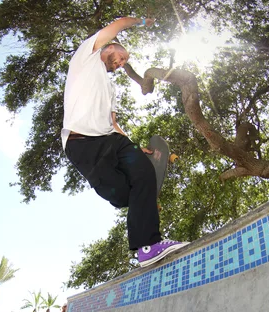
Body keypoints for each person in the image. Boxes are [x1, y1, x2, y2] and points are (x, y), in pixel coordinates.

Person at [62, 17, 188, 267]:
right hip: (82, 144)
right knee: (122, 197)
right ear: (111, 46)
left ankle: (147, 247)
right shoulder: (85, 59)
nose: (120, 64)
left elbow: (113, 123)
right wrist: (140, 21)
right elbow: (117, 25)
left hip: (112, 140)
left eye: (124, 63)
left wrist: (132, 147)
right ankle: (137, 200)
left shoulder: (110, 88)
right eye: (121, 58)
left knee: (143, 172)